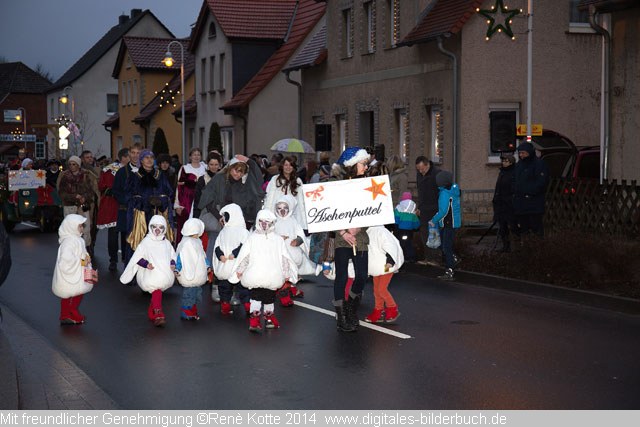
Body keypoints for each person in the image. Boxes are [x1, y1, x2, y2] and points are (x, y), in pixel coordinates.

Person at [229, 209, 298, 332]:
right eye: (261, 221)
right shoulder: (252, 239)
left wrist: (287, 273)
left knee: (269, 299)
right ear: (257, 221)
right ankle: (256, 321)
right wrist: (240, 270)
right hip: (257, 275)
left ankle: (267, 318)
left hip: (271, 276)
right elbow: (246, 256)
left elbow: (284, 258)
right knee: (256, 298)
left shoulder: (278, 240)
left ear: (272, 222)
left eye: (267, 221)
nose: (264, 224)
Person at [330, 147, 371, 332]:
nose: (366, 167)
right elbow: (327, 213)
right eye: (363, 164)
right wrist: (344, 232)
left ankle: (350, 309)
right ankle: (341, 316)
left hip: (360, 238)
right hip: (342, 238)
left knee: (362, 275)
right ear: (353, 165)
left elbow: (373, 211)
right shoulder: (336, 185)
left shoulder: (366, 185)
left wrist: (359, 227)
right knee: (341, 276)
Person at [120, 215, 176, 327]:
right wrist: (145, 264)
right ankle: (158, 314)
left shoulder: (166, 243)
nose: (157, 230)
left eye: (161, 227)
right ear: (150, 227)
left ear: (164, 228)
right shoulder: (146, 242)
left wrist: (173, 263)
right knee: (156, 291)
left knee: (157, 292)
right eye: (154, 227)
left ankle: (152, 312)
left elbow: (172, 255)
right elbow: (136, 258)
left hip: (164, 274)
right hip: (150, 274)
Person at [125, 149, 175, 257]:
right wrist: (141, 202)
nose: (149, 160)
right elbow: (128, 196)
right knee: (140, 244)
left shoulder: (160, 176)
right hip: (140, 215)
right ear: (141, 160)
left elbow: (170, 193)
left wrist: (161, 201)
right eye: (146, 158)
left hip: (158, 214)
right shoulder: (134, 176)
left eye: (151, 158)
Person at [198, 154, 265, 231]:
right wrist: (219, 217)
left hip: (234, 223)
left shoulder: (242, 184)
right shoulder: (219, 179)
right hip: (217, 221)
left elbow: (257, 178)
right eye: (237, 171)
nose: (239, 175)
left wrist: (248, 160)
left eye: (242, 172)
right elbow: (208, 200)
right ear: (230, 168)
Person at [273, 195, 315, 306]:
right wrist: (278, 238)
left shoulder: (293, 221)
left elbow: (301, 235)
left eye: (285, 208)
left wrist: (298, 240)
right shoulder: (273, 221)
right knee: (284, 275)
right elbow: (268, 236)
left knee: (291, 273)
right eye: (279, 208)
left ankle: (291, 289)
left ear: (290, 208)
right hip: (279, 255)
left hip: (293, 253)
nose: (282, 211)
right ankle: (284, 297)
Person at [52, 214, 93, 325]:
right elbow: (65, 260)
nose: (82, 228)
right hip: (71, 275)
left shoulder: (78, 239)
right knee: (69, 294)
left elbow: (82, 253)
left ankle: (68, 313)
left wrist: (86, 258)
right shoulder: (68, 242)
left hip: (77, 272)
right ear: (71, 227)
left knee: (75, 293)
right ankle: (67, 314)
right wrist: (82, 261)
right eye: (80, 226)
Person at [193, 151, 223, 301]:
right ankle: (210, 275)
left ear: (220, 165)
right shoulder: (202, 179)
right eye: (211, 164)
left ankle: (216, 275)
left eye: (216, 164)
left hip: (222, 214)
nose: (213, 167)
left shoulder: (224, 178)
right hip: (209, 216)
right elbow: (199, 200)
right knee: (210, 245)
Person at [211, 203, 250, 315]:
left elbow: (245, 246)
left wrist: (235, 253)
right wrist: (220, 255)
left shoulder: (243, 232)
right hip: (226, 265)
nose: (223, 219)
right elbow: (217, 246)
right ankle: (225, 305)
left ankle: (247, 306)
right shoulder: (223, 231)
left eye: (225, 216)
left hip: (237, 265)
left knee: (243, 287)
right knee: (225, 287)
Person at [364, 225, 404, 323]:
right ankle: (379, 311)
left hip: (385, 266)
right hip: (376, 266)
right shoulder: (368, 232)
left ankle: (392, 308)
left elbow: (390, 246)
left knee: (381, 290)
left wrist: (390, 261)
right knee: (376, 291)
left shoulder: (381, 231)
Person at [96, 148, 128, 271]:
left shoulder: (132, 169)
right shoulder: (110, 170)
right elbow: (102, 187)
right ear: (123, 157)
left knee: (125, 234)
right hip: (114, 204)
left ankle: (123, 259)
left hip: (124, 205)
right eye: (130, 155)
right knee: (114, 234)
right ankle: (114, 260)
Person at [175, 218, 212, 321]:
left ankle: (192, 310)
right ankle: (186, 311)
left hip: (197, 274)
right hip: (189, 273)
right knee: (188, 294)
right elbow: (181, 258)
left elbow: (203, 256)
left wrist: (207, 266)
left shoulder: (197, 242)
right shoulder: (186, 243)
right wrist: (177, 268)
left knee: (195, 293)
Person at [57, 155, 96, 252]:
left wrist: (84, 197)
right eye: (70, 164)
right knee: (70, 229)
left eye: (74, 164)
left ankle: (85, 249)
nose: (72, 166)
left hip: (83, 206)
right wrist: (74, 196)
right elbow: (61, 193)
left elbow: (91, 191)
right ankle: (70, 249)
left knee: (86, 228)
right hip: (69, 206)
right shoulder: (65, 176)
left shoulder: (85, 175)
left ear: (78, 165)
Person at [429, 171, 461, 281]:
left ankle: (450, 270)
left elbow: (443, 211)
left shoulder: (445, 193)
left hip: (448, 223)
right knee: (444, 244)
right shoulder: (452, 190)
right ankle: (453, 259)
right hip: (452, 223)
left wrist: (434, 220)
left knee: (446, 247)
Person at [513, 142, 549, 238]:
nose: (521, 155)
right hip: (521, 205)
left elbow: (541, 183)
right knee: (524, 231)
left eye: (523, 153)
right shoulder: (519, 165)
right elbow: (515, 180)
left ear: (529, 152)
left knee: (536, 230)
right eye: (519, 153)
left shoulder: (539, 164)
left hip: (534, 204)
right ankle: (525, 245)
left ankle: (537, 246)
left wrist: (527, 192)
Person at [111, 144, 139, 266]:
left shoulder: (148, 171)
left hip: (143, 211)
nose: (135, 156)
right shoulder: (122, 172)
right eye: (133, 153)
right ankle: (127, 265)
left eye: (138, 153)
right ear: (129, 155)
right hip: (127, 211)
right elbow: (116, 191)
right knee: (127, 240)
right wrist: (127, 200)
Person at [264, 155, 307, 230]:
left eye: (290, 165)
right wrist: (267, 215)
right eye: (286, 165)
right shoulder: (275, 179)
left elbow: (301, 200)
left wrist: (304, 221)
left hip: (293, 215)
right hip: (277, 214)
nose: (288, 167)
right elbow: (270, 198)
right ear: (282, 166)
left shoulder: (298, 181)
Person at [174, 148, 206, 244]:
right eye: (194, 154)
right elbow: (179, 187)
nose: (196, 156)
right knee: (185, 225)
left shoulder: (205, 168)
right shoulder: (184, 168)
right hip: (186, 200)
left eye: (198, 154)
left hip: (201, 199)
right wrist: (177, 205)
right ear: (190, 157)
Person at [415, 155, 441, 259]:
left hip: (434, 210)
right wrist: (419, 207)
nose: (420, 171)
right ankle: (428, 257)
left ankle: (435, 259)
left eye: (422, 169)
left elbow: (440, 194)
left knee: (434, 235)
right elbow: (421, 193)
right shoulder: (419, 175)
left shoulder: (437, 174)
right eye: (418, 169)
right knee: (424, 234)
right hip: (423, 211)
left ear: (427, 165)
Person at [492, 154, 516, 252]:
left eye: (506, 161)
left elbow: (513, 188)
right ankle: (506, 246)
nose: (504, 163)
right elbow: (498, 187)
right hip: (501, 204)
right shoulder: (502, 172)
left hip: (509, 205)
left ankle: (516, 247)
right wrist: (495, 199)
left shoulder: (514, 172)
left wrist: (510, 199)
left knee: (513, 227)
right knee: (502, 227)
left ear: (511, 162)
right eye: (503, 161)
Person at [81, 150, 101, 257]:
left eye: (91, 157)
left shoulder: (97, 170)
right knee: (87, 225)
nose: (90, 159)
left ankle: (92, 244)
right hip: (86, 202)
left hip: (97, 200)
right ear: (82, 159)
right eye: (87, 157)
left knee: (96, 226)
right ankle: (86, 246)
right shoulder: (81, 171)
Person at [394, 191, 420, 263]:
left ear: (402, 198)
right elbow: (416, 220)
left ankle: (400, 258)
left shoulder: (398, 207)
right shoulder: (413, 208)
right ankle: (411, 257)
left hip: (400, 229)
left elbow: (396, 218)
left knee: (400, 243)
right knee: (409, 243)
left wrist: (395, 226)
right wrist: (416, 226)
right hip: (409, 230)